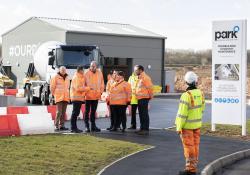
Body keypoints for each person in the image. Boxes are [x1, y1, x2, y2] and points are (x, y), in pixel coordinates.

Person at [175, 71, 205, 175]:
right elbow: (202, 109)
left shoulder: (186, 95)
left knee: (189, 148)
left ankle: (190, 170)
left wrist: (178, 127)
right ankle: (193, 167)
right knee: (195, 147)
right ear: (196, 81)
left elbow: (181, 114)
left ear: (186, 82)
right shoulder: (200, 93)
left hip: (187, 127)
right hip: (197, 126)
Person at [84, 61, 104, 132]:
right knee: (87, 112)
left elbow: (102, 83)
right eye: (91, 66)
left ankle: (93, 126)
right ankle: (87, 126)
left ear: (96, 67)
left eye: (94, 66)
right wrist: (85, 92)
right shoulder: (86, 73)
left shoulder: (100, 73)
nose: (92, 67)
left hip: (96, 96)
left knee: (93, 112)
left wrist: (101, 92)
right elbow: (83, 85)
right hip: (88, 96)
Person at [70, 66, 90, 133]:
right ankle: (73, 128)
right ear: (80, 70)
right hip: (76, 97)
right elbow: (78, 88)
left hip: (79, 98)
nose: (84, 71)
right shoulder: (76, 77)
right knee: (75, 113)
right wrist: (87, 88)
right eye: (83, 70)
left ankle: (74, 127)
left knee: (76, 113)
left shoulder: (81, 77)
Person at [134, 65, 153, 135]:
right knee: (141, 114)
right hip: (140, 98)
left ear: (140, 70)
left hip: (144, 99)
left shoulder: (145, 78)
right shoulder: (139, 78)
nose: (135, 71)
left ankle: (145, 129)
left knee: (144, 114)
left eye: (136, 70)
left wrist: (150, 97)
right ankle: (142, 128)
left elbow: (150, 88)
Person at [50, 66, 70, 131]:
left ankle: (62, 125)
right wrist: (54, 95)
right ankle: (56, 125)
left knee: (63, 112)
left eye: (64, 70)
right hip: (59, 97)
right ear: (59, 70)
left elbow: (68, 87)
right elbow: (52, 87)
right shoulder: (55, 77)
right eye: (62, 70)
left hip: (65, 97)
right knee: (59, 112)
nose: (63, 71)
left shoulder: (67, 77)